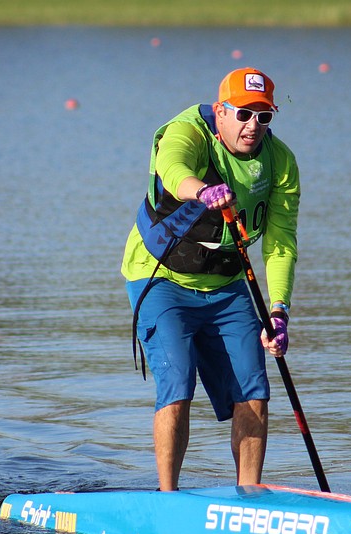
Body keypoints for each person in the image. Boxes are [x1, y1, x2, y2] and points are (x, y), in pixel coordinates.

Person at [121, 67, 300, 491]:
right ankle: (167, 497)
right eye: (242, 114)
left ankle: (249, 497)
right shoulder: (188, 133)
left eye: (264, 117)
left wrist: (279, 312)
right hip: (160, 279)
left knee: (254, 388)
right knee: (178, 381)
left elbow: (280, 243)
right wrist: (200, 191)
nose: (252, 126)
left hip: (226, 286)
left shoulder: (281, 163)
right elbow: (172, 168)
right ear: (220, 111)